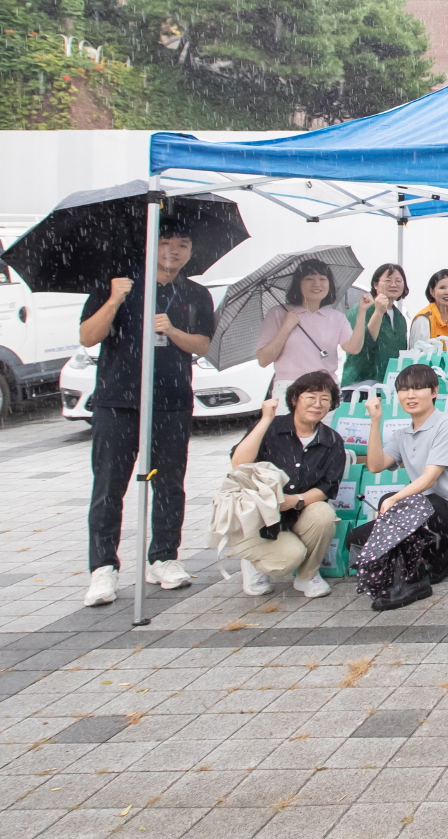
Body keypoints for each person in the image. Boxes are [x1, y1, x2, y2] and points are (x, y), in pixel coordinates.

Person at [79, 218, 216, 607]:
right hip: (118, 401)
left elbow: (202, 345)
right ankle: (103, 568)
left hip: (171, 401)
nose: (174, 250)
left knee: (170, 483)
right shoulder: (118, 284)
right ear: (150, 244)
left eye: (183, 244)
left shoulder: (195, 293)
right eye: (166, 242)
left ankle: (164, 558)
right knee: (109, 485)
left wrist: (172, 331)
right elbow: (88, 337)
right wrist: (114, 300)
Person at [354, 363, 448, 611]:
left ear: (434, 391)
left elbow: (429, 478)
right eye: (404, 390)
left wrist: (393, 500)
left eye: (418, 388)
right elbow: (375, 465)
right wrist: (375, 421)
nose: (410, 395)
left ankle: (410, 584)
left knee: (401, 504)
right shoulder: (401, 434)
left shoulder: (447, 424)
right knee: (361, 535)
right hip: (425, 513)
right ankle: (440, 556)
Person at [226, 372, 346, 598]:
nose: (317, 404)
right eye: (310, 397)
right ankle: (255, 561)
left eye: (325, 399)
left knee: (323, 515)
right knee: (289, 557)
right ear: (294, 399)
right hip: (260, 516)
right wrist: (265, 420)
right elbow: (239, 463)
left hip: (298, 512)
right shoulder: (271, 427)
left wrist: (295, 500)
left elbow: (327, 487)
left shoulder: (331, 440)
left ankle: (307, 576)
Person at [256, 259, 366, 385]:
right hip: (289, 387)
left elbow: (353, 348)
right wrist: (286, 328)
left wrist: (362, 312)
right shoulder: (278, 313)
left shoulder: (337, 317)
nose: (317, 284)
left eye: (322, 279)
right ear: (298, 284)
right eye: (309, 279)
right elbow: (263, 360)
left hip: (326, 388)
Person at [341, 263, 409, 386]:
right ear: (375, 285)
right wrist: (378, 312)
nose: (394, 284)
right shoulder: (363, 309)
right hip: (360, 385)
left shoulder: (400, 317)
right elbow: (360, 347)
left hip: (388, 384)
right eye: (388, 280)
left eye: (399, 281)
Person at [409, 269, 448, 351]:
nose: (447, 292)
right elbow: (418, 353)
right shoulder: (424, 319)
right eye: (442, 288)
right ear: (432, 291)